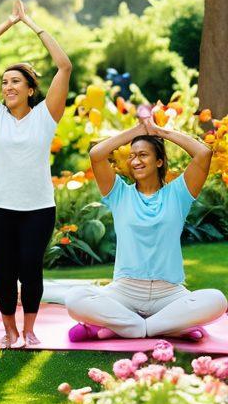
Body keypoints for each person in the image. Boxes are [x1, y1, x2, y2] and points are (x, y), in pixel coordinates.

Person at [0, 0, 72, 348]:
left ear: (31, 89)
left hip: (38, 207)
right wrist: (6, 25)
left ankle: (30, 330)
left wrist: (31, 24)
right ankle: (9, 331)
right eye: (4, 81)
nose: (8, 86)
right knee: (5, 270)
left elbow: (64, 66)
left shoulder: (46, 116)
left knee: (31, 267)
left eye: (16, 81)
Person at [66, 117, 227, 340]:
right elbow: (96, 154)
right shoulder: (118, 193)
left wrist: (161, 131)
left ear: (159, 161)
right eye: (132, 156)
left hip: (169, 292)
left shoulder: (178, 193)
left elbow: (203, 154)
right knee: (75, 298)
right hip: (125, 291)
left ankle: (130, 327)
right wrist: (137, 130)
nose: (135, 161)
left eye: (143, 155)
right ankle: (167, 327)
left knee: (217, 300)